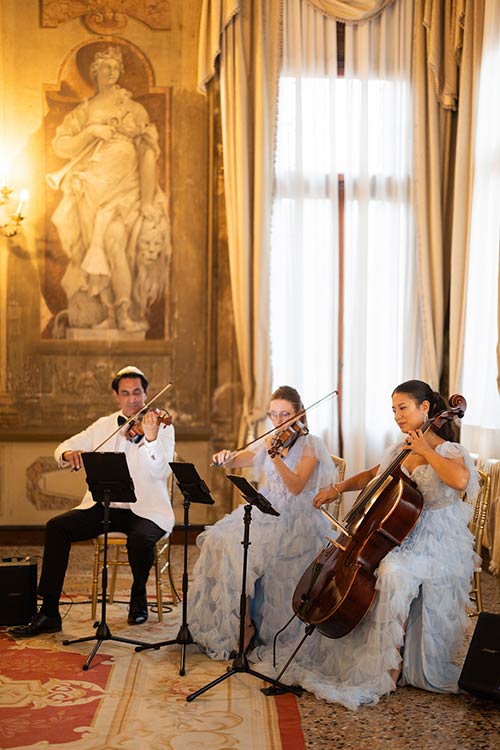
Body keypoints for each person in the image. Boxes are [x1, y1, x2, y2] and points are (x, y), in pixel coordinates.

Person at [270, 379, 479, 709]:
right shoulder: (400, 448)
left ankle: (390, 666)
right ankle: (371, 655)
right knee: (382, 566)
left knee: (393, 571)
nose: (397, 415)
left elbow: (460, 480)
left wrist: (425, 449)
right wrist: (337, 488)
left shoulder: (448, 450)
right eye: (393, 409)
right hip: (400, 536)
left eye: (403, 408)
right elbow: (373, 474)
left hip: (436, 543)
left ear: (426, 409)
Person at [10, 365, 175, 637]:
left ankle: (138, 597)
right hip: (105, 505)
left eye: (137, 392)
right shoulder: (103, 426)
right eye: (126, 393)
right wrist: (67, 455)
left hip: (147, 511)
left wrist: (152, 438)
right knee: (57, 527)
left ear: (147, 393)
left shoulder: (162, 427)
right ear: (116, 396)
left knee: (140, 539)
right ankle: (49, 611)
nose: (132, 399)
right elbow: (62, 447)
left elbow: (161, 472)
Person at [189, 385, 338, 660]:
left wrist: (276, 456)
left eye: (285, 415)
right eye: (273, 414)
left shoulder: (311, 443)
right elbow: (242, 457)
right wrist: (226, 457)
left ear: (299, 414)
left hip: (295, 519)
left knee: (244, 550)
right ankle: (241, 620)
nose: (278, 421)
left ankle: (250, 624)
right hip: (266, 509)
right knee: (220, 539)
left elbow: (295, 486)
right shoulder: (272, 438)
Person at [47, 46, 170, 334]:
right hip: (91, 192)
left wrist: (149, 199)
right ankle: (107, 313)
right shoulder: (85, 111)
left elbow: (148, 151)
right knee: (95, 255)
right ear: (94, 73)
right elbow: (61, 146)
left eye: (116, 68)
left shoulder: (132, 108)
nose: (112, 72)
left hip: (125, 192)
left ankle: (124, 311)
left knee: (115, 244)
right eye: (106, 67)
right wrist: (92, 132)